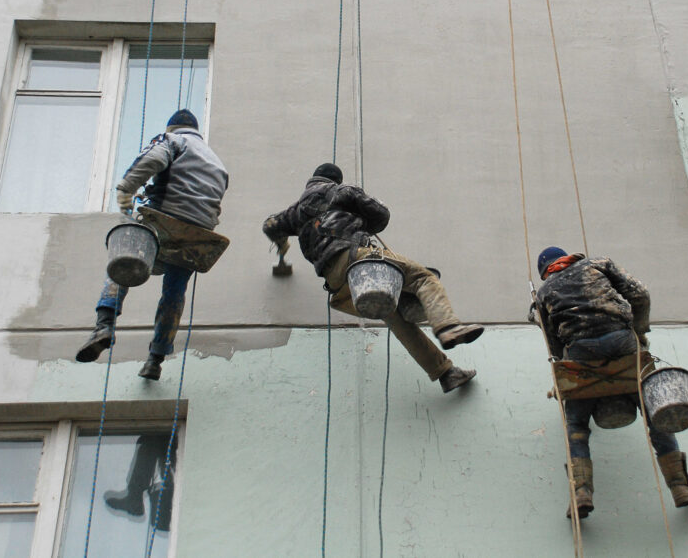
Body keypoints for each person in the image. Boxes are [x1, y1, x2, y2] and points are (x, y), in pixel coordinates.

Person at [263, 163, 482, 393]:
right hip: (357, 260)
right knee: (422, 277)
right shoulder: (342, 191)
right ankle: (448, 327)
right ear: (334, 180)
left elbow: (269, 226)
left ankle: (446, 373)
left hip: (337, 281)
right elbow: (381, 214)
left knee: (395, 318)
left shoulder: (295, 212)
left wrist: (282, 246)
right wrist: (360, 221)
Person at [533, 246, 688, 518]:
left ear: (545, 271)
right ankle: (681, 487)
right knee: (655, 413)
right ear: (568, 258)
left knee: (576, 425)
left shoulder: (543, 292)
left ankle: (581, 493)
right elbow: (639, 294)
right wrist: (639, 331)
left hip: (581, 350)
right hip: (621, 340)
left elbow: (551, 341)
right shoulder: (598, 263)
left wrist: (565, 361)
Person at [76, 109, 229, 380]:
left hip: (164, 218)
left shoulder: (173, 141)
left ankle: (104, 325)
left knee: (124, 259)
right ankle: (155, 359)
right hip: (198, 234)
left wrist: (126, 189)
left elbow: (153, 159)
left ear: (172, 128)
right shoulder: (217, 162)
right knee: (174, 293)